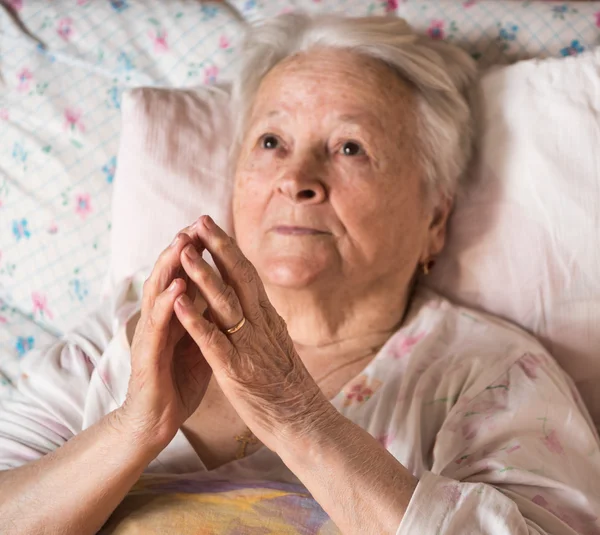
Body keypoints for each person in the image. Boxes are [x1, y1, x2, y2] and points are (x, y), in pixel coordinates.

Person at [1, 13, 599, 535]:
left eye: (349, 148)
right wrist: (132, 429)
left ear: (435, 217)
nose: (296, 178)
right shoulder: (129, 330)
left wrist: (297, 417)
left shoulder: (493, 374)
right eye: (270, 141)